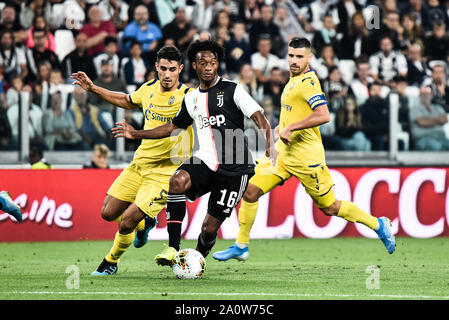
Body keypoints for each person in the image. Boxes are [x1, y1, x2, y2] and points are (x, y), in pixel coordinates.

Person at [212, 37, 396, 263]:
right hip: (283, 154)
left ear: (309, 58)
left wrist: (292, 127)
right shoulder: (292, 80)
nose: (294, 60)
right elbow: (296, 111)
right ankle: (241, 246)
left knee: (330, 207)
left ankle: (378, 224)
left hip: (307, 158)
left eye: (300, 56)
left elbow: (324, 115)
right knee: (250, 190)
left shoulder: (308, 83)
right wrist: (284, 126)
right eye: (291, 55)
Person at [111, 39, 275, 265]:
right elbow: (171, 127)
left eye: (213, 62)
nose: (208, 67)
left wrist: (269, 142)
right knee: (176, 181)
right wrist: (136, 134)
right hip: (205, 161)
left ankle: (195, 260)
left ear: (217, 65)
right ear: (194, 66)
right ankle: (172, 248)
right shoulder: (191, 97)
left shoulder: (232, 89)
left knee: (208, 229)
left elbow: (257, 115)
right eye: (203, 62)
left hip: (235, 169)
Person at [70, 45, 193, 276]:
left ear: (180, 70)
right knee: (107, 213)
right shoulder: (147, 89)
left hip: (166, 172)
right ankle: (145, 223)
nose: (167, 74)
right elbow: (127, 100)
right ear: (156, 67)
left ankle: (110, 261)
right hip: (140, 165)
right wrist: (94, 88)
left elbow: (171, 128)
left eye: (172, 69)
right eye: (163, 68)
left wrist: (135, 134)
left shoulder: (188, 97)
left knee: (125, 222)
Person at [409, 86, 449, 151]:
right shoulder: (414, 109)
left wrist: (427, 120)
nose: (425, 96)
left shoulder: (438, 108)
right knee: (437, 147)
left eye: (427, 93)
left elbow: (445, 119)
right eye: (423, 94)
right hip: (423, 139)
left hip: (441, 138)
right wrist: (438, 121)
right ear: (419, 96)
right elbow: (422, 122)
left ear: (431, 95)